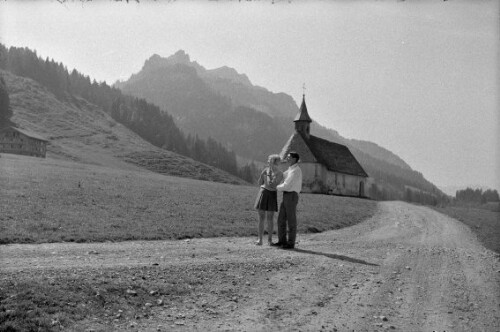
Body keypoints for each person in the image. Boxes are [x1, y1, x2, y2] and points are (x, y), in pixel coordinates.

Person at [273, 151, 302, 249]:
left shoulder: (295, 171)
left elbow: (287, 185)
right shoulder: (290, 170)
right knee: (281, 218)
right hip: (286, 195)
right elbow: (281, 175)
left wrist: (275, 187)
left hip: (292, 195)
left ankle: (290, 243)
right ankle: (282, 241)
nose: (287, 158)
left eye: (289, 157)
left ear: (294, 159)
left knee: (291, 220)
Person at [254, 154, 284, 245]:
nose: (268, 163)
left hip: (271, 194)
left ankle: (270, 240)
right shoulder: (265, 170)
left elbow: (273, 185)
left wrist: (268, 174)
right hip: (263, 193)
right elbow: (259, 183)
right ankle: (260, 239)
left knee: (270, 218)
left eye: (269, 161)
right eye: (268, 161)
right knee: (261, 217)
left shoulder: (280, 173)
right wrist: (262, 175)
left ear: (275, 163)